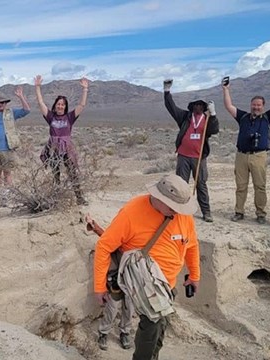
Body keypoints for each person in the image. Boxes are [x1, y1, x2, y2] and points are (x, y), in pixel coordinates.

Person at [93, 174, 200, 360]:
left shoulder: (182, 216)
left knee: (159, 329)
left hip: (168, 286)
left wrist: (194, 274)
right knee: (152, 326)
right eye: (173, 207)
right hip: (143, 285)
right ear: (158, 198)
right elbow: (104, 246)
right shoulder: (131, 213)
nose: (177, 212)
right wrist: (99, 287)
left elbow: (191, 245)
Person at [222, 73, 270, 224]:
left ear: (263, 106)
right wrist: (226, 90)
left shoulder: (267, 118)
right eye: (254, 104)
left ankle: (261, 214)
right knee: (241, 186)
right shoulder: (243, 117)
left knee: (260, 186)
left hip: (259, 156)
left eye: (259, 105)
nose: (256, 107)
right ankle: (239, 212)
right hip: (241, 156)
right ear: (251, 105)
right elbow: (228, 106)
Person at [163, 79, 219, 222]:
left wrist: (213, 115)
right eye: (196, 105)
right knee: (180, 185)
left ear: (204, 107)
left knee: (201, 184)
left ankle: (206, 212)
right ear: (192, 106)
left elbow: (214, 130)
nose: (198, 107)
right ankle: (178, 209)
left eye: (201, 105)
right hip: (183, 156)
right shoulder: (184, 117)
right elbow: (171, 107)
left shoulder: (207, 119)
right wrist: (167, 91)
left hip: (199, 157)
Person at [34, 75, 89, 205]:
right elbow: (40, 103)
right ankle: (56, 198)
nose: (60, 106)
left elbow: (82, 105)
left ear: (65, 106)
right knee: (55, 175)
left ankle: (79, 198)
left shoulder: (70, 117)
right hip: (53, 149)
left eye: (62, 104)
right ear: (55, 105)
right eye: (58, 104)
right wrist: (37, 87)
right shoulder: (50, 117)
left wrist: (85, 90)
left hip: (67, 149)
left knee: (72, 173)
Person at [86, 213, 134, 351]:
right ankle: (104, 333)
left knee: (129, 308)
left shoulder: (136, 245)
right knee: (112, 309)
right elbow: (105, 235)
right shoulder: (117, 242)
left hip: (131, 280)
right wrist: (93, 225)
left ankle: (125, 333)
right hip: (115, 282)